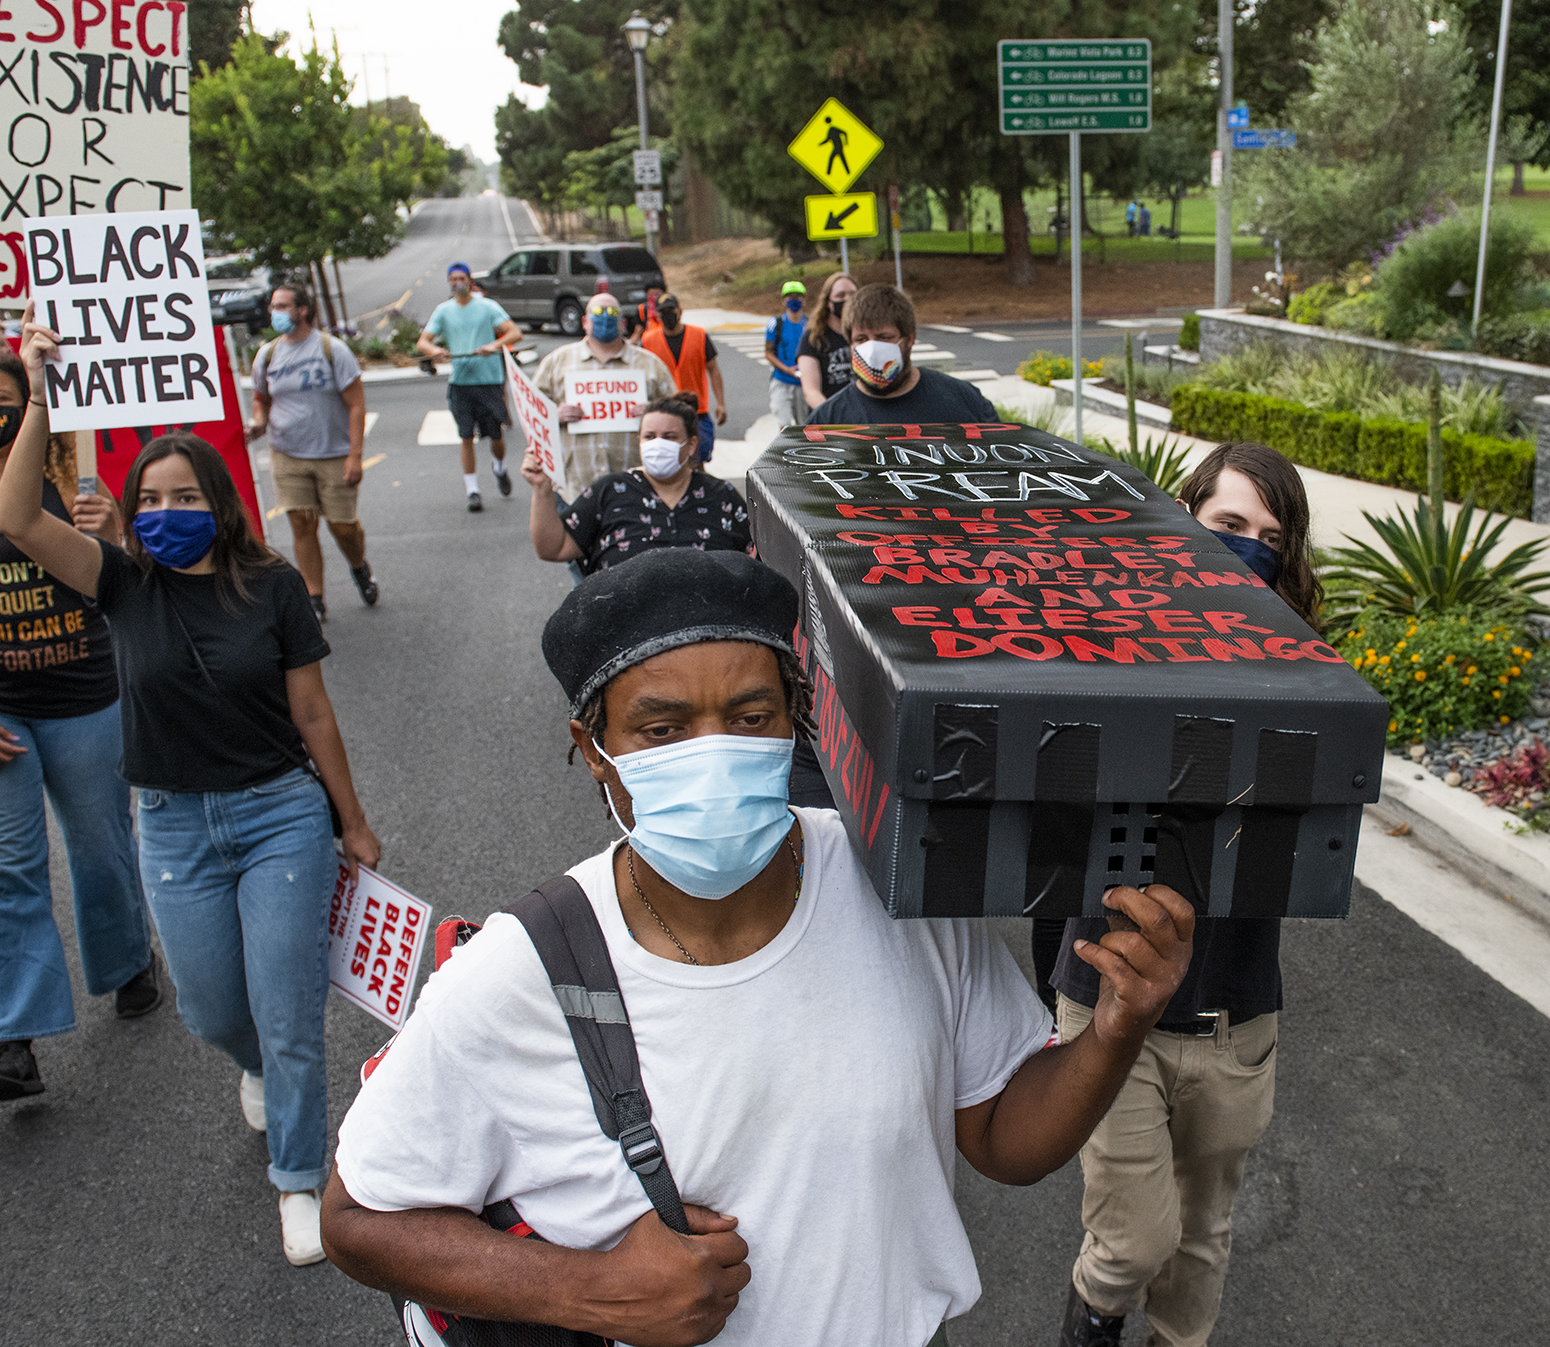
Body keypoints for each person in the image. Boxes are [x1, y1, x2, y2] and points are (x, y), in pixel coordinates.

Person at [320, 547, 1195, 1344]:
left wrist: (1117, 1025)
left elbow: (1004, 1136)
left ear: (794, 721)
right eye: (662, 730)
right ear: (595, 748)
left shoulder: (897, 891)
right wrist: (585, 1289)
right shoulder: (521, 972)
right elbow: (358, 1218)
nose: (714, 753)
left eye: (749, 715)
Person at [0, 300, 384, 1267]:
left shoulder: (276, 588)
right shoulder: (121, 584)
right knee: (215, 1009)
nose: (168, 512)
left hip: (278, 817)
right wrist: (41, 389)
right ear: (131, 509)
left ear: (220, 498)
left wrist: (354, 822)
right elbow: (11, 516)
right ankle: (254, 1067)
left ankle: (299, 1179)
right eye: (151, 498)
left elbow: (314, 715)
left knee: (291, 1008)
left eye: (185, 495)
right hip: (170, 827)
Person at [1051, 440, 1322, 1347]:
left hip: (1233, 1019)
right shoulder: (1106, 643)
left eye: (1267, 538)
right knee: (1134, 1240)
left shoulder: (1308, 680)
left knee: (1201, 1243)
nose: (1246, 547)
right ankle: (1090, 1317)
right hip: (1110, 1004)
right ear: (1184, 520)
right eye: (1227, 525)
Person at [0, 349, 160, 1102]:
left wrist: (112, 528)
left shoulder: (69, 485)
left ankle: (126, 961)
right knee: (5, 869)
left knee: (103, 847)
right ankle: (12, 1037)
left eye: (2, 396)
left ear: (31, 408)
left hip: (87, 700)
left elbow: (125, 585)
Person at [248, 283, 378, 620]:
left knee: (342, 527)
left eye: (282, 306)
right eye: (273, 306)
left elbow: (356, 405)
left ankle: (359, 566)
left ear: (302, 309)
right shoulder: (267, 355)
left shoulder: (332, 350)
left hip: (333, 454)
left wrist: (355, 455)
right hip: (288, 454)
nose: (274, 313)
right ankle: (314, 597)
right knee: (302, 524)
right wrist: (259, 421)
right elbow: (261, 398)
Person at [523, 392, 748, 574]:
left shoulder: (721, 497)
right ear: (639, 441)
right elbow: (554, 548)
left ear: (690, 445)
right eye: (650, 436)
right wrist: (542, 490)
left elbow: (757, 560)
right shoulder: (610, 491)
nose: (658, 444)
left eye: (669, 437)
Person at [531, 294, 675, 499]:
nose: (605, 317)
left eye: (613, 312)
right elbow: (531, 412)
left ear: (623, 323)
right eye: (598, 312)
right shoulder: (557, 362)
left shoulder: (650, 364)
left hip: (637, 488)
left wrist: (656, 413)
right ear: (584, 322)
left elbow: (679, 414)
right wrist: (554, 415)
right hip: (574, 489)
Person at [807, 284, 1001, 427]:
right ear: (850, 343)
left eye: (884, 337)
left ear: (909, 340)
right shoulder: (827, 421)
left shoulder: (963, 400)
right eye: (861, 339)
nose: (872, 348)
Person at [416, 262, 523, 513]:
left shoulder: (487, 307)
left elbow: (514, 333)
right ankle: (472, 490)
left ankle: (500, 467)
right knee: (466, 436)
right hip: (461, 383)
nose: (456, 283)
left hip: (488, 380)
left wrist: (493, 346)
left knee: (496, 434)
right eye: (452, 279)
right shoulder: (443, 311)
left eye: (460, 278)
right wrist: (436, 352)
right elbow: (423, 341)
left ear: (470, 281)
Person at [638, 294, 727, 463]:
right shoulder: (648, 340)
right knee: (668, 461)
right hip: (663, 412)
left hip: (696, 411)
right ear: (657, 315)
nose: (668, 315)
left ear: (680, 311)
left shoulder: (699, 335)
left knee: (697, 459)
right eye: (663, 312)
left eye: (671, 310)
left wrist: (720, 403)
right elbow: (639, 375)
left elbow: (713, 369)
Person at [797, 271, 858, 411]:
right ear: (828, 302)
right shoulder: (813, 338)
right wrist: (834, 417)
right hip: (829, 420)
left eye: (853, 295)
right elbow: (811, 392)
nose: (847, 300)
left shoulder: (867, 335)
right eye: (840, 295)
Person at [764, 280, 809, 426]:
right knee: (784, 424)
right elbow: (768, 352)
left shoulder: (810, 324)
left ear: (804, 300)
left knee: (805, 425)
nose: (794, 300)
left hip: (804, 384)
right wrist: (786, 369)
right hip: (782, 381)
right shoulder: (776, 324)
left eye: (798, 296)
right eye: (790, 297)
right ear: (784, 301)